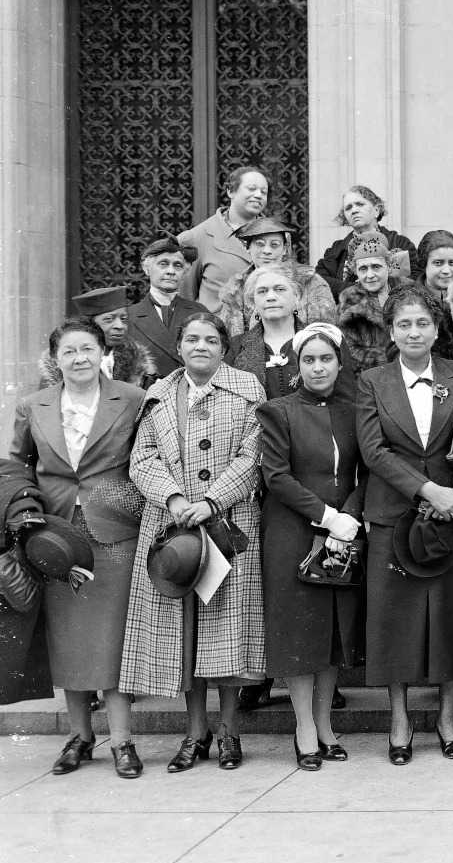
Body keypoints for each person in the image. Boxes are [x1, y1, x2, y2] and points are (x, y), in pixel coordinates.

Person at [118, 312, 267, 771]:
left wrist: (213, 499)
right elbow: (141, 458)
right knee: (184, 631)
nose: (200, 346)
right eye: (191, 339)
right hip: (172, 527)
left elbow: (254, 453)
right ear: (179, 347)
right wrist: (176, 496)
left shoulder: (247, 390)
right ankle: (194, 731)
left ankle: (229, 731)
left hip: (228, 526)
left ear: (224, 347)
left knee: (225, 629)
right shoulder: (159, 395)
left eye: (209, 339)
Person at [13, 319, 150, 778]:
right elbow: (18, 468)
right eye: (69, 351)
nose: (79, 359)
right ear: (56, 359)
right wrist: (28, 514)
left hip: (114, 530)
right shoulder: (34, 406)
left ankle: (123, 742)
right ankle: (80, 737)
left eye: (87, 349)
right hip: (55, 536)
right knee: (68, 640)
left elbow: (146, 459)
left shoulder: (130, 398)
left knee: (113, 639)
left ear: (102, 353)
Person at [356, 287, 453, 765]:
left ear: (435, 328)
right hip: (395, 512)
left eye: (422, 323)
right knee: (394, 621)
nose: (413, 332)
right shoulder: (372, 381)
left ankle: (448, 715)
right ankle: (400, 717)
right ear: (391, 331)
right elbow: (373, 450)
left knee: (450, 616)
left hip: (452, 513)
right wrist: (428, 492)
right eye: (404, 324)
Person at [256, 323, 363, 770]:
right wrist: (327, 516)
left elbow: (366, 470)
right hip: (294, 531)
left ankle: (324, 725)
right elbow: (277, 476)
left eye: (326, 358)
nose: (318, 367)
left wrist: (351, 516)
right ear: (298, 367)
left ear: (340, 362)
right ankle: (302, 728)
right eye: (309, 360)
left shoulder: (356, 410)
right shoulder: (278, 411)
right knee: (301, 633)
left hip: (345, 534)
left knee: (333, 632)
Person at [220, 217, 336, 337]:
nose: (267, 251)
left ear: (285, 249)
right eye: (260, 244)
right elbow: (230, 340)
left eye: (274, 245)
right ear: (248, 248)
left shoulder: (310, 282)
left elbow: (325, 335)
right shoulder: (236, 289)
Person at [179, 165, 270, 314]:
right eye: (252, 189)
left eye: (263, 192)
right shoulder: (195, 237)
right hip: (216, 331)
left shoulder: (278, 237)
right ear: (230, 191)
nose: (258, 195)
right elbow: (184, 299)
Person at [126, 236, 211, 380]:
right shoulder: (129, 317)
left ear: (185, 272)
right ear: (147, 268)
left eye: (177, 265)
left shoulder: (200, 313)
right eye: (163, 264)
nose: (171, 271)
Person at [318, 185, 416, 298]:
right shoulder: (336, 249)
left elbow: (410, 281)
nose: (354, 210)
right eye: (348, 208)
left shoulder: (400, 243)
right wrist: (356, 290)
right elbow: (320, 280)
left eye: (360, 204)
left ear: (376, 210)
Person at [48, 286, 157, 389]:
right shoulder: (61, 366)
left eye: (123, 319)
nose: (120, 326)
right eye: (109, 319)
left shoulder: (137, 363)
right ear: (89, 325)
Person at [337, 233, 415, 375]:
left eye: (376, 267)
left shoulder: (410, 292)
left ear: (389, 266)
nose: (370, 275)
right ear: (356, 271)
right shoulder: (350, 300)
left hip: (411, 369)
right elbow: (349, 350)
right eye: (363, 269)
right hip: (368, 376)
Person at [229, 264, 310, 401]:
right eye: (262, 291)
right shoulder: (236, 347)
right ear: (253, 302)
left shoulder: (319, 339)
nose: (270, 297)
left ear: (297, 296)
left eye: (280, 289)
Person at [414, 230, 453, 300]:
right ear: (424, 264)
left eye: (452, 263)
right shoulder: (410, 300)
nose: (446, 271)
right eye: (438, 263)